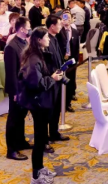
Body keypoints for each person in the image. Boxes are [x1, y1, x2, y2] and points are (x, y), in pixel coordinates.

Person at [17, 27, 62, 184]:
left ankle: (40, 167)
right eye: (46, 37)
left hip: (41, 101)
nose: (49, 39)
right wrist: (52, 79)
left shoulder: (37, 55)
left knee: (42, 138)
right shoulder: (33, 58)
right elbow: (35, 84)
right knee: (39, 139)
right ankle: (36, 176)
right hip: (38, 103)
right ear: (39, 40)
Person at [4, 16, 33, 160]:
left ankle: (20, 141)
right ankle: (11, 150)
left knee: (21, 116)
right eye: (28, 27)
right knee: (14, 118)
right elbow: (11, 72)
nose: (30, 29)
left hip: (24, 86)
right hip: (16, 88)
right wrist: (15, 92)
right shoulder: (11, 46)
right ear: (22, 29)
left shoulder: (24, 42)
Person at [43, 15, 70, 148]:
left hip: (57, 77)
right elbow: (46, 62)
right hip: (51, 79)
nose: (61, 26)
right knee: (49, 109)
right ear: (52, 26)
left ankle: (54, 132)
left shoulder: (55, 37)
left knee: (57, 107)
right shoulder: (46, 40)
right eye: (59, 24)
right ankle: (45, 137)